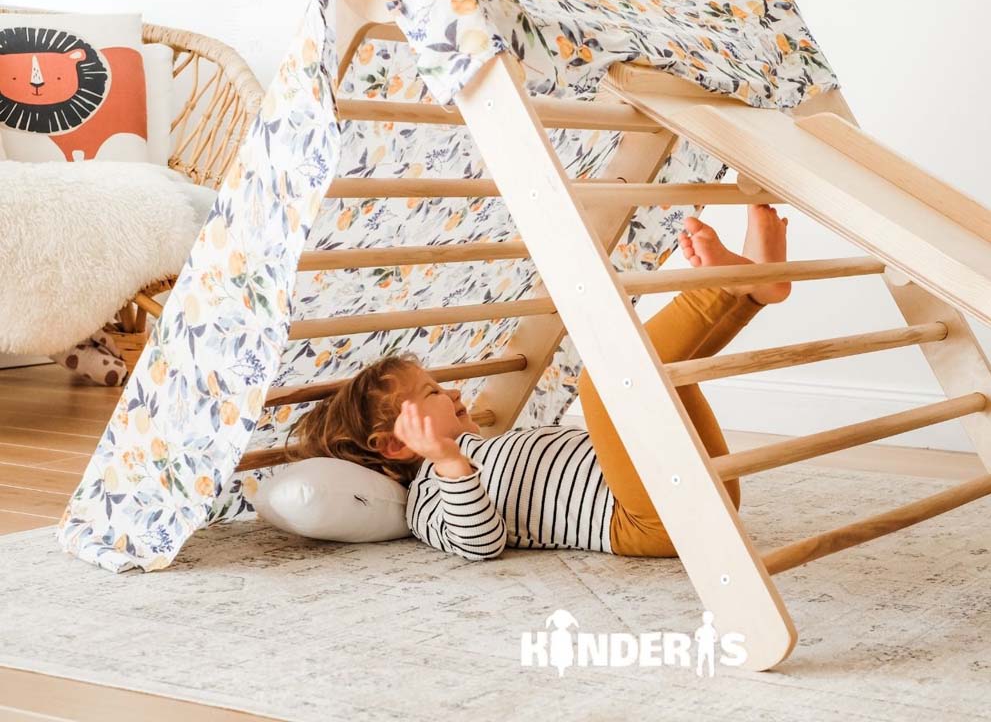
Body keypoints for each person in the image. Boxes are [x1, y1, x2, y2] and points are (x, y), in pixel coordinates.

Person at [287, 206, 790, 560]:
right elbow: (479, 544)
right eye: (434, 393)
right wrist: (447, 462)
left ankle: (751, 291)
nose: (456, 393)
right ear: (397, 444)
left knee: (661, 385)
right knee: (605, 385)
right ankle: (730, 287)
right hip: (649, 522)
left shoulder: (489, 446)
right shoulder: (426, 502)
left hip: (687, 485)